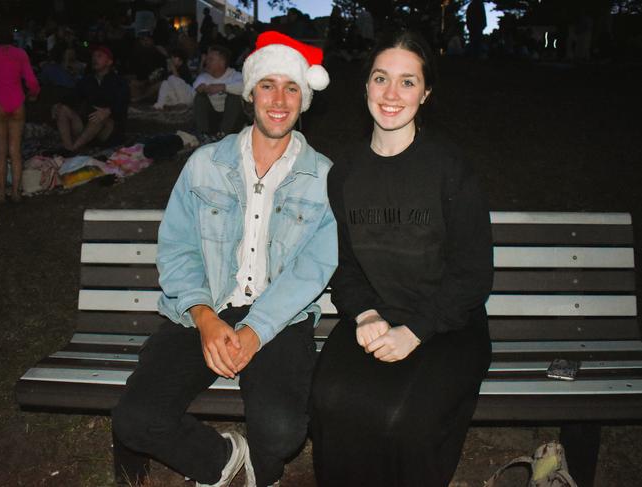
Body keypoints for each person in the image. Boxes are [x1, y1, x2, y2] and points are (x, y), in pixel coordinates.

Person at [112, 31, 335, 487]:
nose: (279, 99)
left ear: (304, 99)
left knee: (282, 432)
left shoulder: (325, 178)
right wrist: (203, 314)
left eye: (291, 87)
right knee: (135, 419)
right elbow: (178, 248)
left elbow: (312, 269)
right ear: (250, 92)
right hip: (206, 306)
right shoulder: (205, 165)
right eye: (267, 85)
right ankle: (222, 460)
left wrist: (255, 330)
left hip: (279, 318)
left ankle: (263, 466)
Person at [310, 31, 493, 487]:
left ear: (426, 92)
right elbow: (346, 267)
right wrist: (366, 313)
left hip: (449, 324)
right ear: (365, 87)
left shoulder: (449, 167)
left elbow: (473, 274)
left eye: (407, 82)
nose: (392, 95)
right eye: (380, 78)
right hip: (377, 315)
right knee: (328, 402)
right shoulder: (345, 173)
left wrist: (415, 332)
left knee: (401, 421)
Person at [0, 19, 40, 203]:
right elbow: (33, 82)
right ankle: (16, 193)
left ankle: (1, 195)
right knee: (15, 150)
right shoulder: (20, 53)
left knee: (0, 151)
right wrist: (33, 95)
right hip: (18, 103)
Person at [52, 46, 129, 152]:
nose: (94, 59)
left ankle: (72, 149)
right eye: (93, 56)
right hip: (86, 128)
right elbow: (72, 97)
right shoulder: (87, 80)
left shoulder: (119, 81)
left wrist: (108, 111)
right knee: (62, 109)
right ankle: (68, 146)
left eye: (99, 56)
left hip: (109, 130)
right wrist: (59, 104)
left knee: (98, 117)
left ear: (109, 62)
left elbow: (122, 104)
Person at [192, 44, 245, 141]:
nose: (206, 62)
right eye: (207, 59)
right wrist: (200, 89)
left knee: (234, 97)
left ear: (222, 62)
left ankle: (224, 134)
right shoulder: (204, 77)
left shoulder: (234, 75)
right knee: (200, 97)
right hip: (213, 120)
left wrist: (223, 87)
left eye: (211, 59)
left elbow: (246, 88)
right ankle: (203, 134)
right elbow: (194, 90)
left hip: (232, 121)